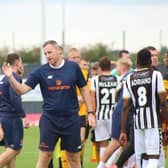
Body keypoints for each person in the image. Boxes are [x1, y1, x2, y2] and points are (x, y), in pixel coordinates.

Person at [2, 40, 95, 168]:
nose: (47, 55)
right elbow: (21, 90)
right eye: (45, 53)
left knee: (73, 158)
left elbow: (84, 89)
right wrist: (10, 77)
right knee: (45, 157)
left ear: (59, 51)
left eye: (50, 52)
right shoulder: (40, 71)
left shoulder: (73, 68)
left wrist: (90, 113)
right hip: (50, 120)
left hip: (71, 120)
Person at [119, 48, 168, 168]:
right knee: (154, 156)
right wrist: (167, 122)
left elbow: (125, 107)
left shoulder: (129, 78)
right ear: (150, 61)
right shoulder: (156, 75)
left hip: (137, 123)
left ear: (137, 62)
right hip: (153, 122)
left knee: (142, 157)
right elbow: (162, 102)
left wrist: (123, 131)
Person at [97, 57, 133, 168]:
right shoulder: (124, 78)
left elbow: (117, 96)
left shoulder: (124, 78)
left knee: (125, 143)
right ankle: (102, 165)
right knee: (117, 142)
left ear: (122, 66)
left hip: (120, 112)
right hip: (121, 112)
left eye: (117, 65)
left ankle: (120, 165)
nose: (116, 68)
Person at [90, 56, 119, 163]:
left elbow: (93, 98)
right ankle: (110, 163)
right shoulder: (118, 79)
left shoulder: (95, 80)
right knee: (117, 142)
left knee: (103, 143)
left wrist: (92, 114)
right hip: (114, 115)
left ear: (100, 68)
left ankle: (105, 164)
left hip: (100, 115)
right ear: (110, 67)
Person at [0, 53, 26, 168]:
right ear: (17, 63)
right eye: (21, 62)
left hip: (4, 117)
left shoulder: (4, 79)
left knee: (10, 149)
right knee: (16, 148)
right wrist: (23, 116)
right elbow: (15, 98)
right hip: (11, 118)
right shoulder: (13, 77)